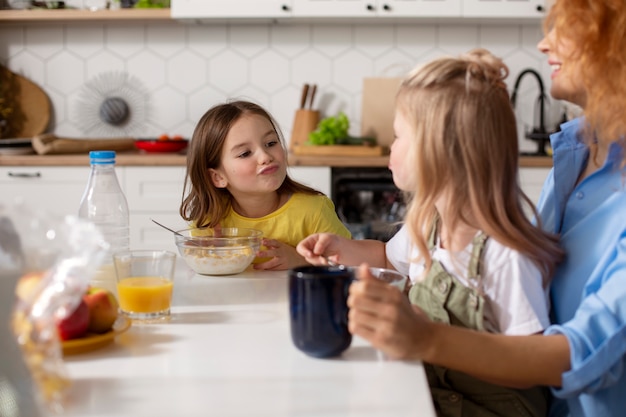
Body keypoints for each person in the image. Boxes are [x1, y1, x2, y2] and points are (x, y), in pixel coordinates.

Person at [304, 0, 626, 416]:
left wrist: (424, 337)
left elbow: (576, 349)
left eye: (570, 26)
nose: (543, 43)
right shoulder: (575, 153)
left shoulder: (506, 249)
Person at [297, 48, 563, 416]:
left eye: (398, 135)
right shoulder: (429, 223)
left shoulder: (504, 253)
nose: (390, 146)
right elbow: (388, 257)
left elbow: (532, 363)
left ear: (440, 151)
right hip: (431, 393)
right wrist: (342, 247)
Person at [180, 100, 351, 271]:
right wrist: (210, 256)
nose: (265, 156)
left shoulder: (314, 210)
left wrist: (301, 260)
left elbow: (350, 264)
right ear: (217, 177)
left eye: (271, 143)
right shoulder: (211, 221)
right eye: (245, 153)